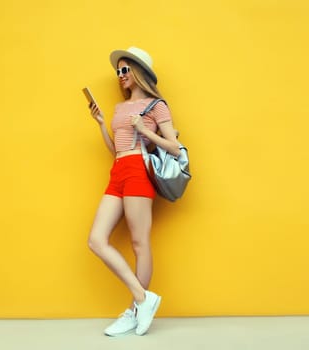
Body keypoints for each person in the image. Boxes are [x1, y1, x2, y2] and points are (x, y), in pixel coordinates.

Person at [87, 46, 181, 336]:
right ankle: (143, 299)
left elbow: (174, 148)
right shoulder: (119, 108)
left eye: (125, 70)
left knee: (140, 243)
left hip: (139, 171)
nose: (120, 75)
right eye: (118, 71)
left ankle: (133, 309)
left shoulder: (157, 105)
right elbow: (117, 148)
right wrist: (103, 125)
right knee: (96, 240)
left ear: (139, 72)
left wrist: (145, 129)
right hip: (118, 171)